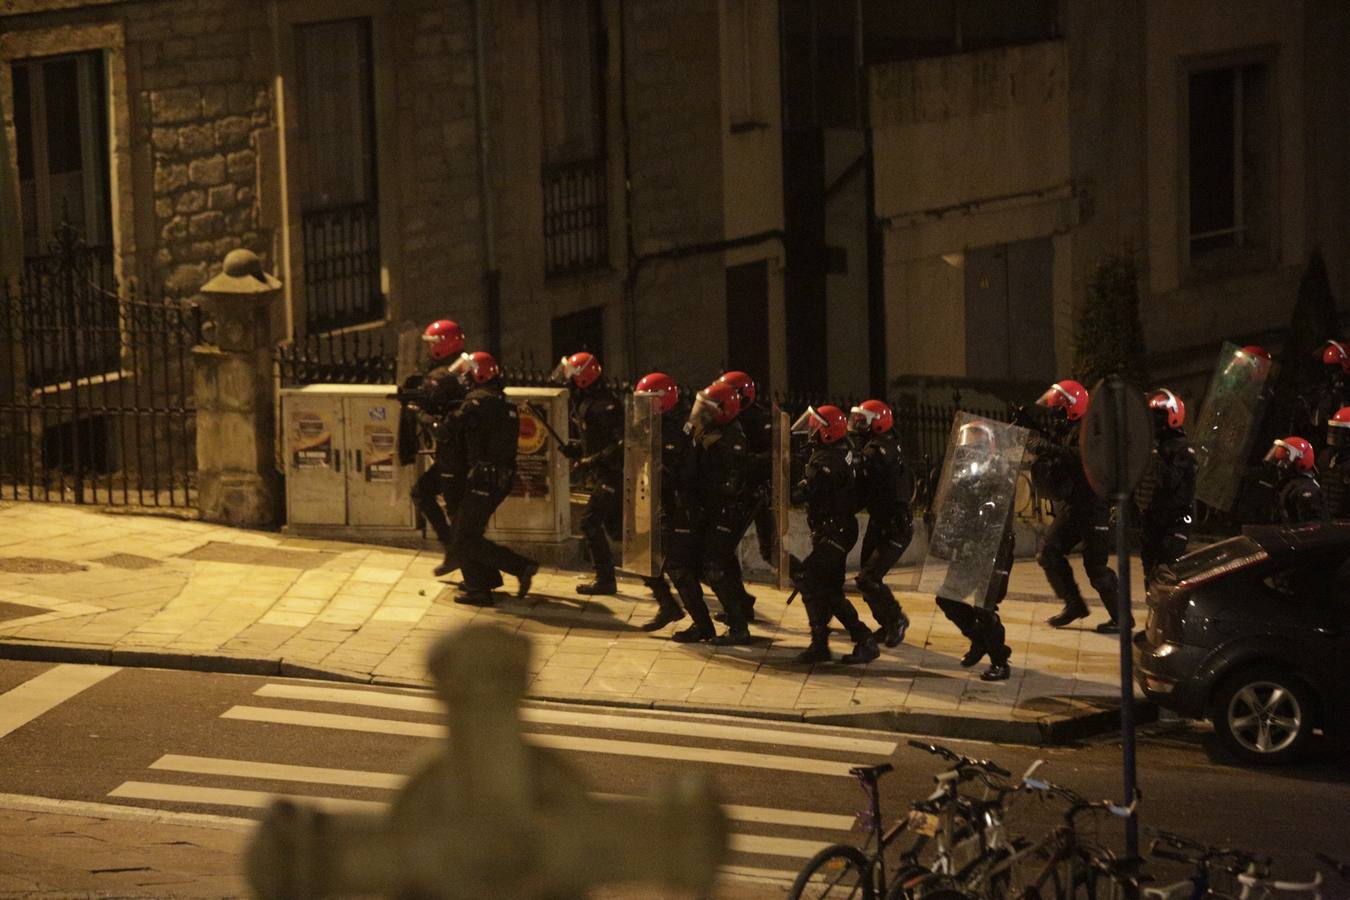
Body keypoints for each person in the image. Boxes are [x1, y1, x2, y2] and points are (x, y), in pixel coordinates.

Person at [439, 351, 539, 605]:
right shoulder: (503, 402)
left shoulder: (477, 402)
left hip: (485, 479)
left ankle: (518, 567)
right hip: (500, 479)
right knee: (467, 531)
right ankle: (482, 583)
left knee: (463, 537)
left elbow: (447, 430)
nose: (464, 378)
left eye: (468, 372)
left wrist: (424, 416)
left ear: (478, 374)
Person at [1025, 379, 1121, 633]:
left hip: (1093, 506)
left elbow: (1078, 457)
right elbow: (1060, 451)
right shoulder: (1068, 430)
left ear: (1072, 407)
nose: (1054, 415)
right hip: (1073, 506)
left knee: (1096, 568)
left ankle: (1121, 618)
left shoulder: (1091, 430)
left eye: (1058, 409)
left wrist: (1047, 448)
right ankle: (1074, 604)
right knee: (1048, 553)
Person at [789, 405, 880, 665]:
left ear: (829, 431)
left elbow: (801, 494)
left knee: (812, 580)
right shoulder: (839, 449)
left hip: (835, 530)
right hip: (835, 527)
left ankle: (862, 638)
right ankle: (821, 644)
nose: (812, 431)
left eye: (817, 426)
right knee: (827, 587)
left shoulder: (828, 460)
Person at [666, 381, 754, 645]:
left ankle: (739, 628)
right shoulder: (704, 433)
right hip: (701, 510)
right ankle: (702, 625)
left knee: (715, 567)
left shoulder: (730, 441)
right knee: (680, 566)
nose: (699, 413)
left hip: (722, 514)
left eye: (707, 409)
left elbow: (725, 484)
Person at [932, 420, 1015, 682]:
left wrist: (987, 509)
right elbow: (958, 510)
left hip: (994, 552)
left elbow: (996, 510)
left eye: (975, 447)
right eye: (966, 447)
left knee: (984, 608)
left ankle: (1000, 660)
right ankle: (980, 641)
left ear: (987, 447)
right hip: (970, 551)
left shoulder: (1000, 472)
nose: (969, 452)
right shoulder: (967, 474)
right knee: (947, 598)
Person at [553, 352, 624, 595]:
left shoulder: (605, 406)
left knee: (590, 523)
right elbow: (594, 439)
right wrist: (576, 449)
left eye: (571, 375)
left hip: (613, 474)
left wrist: (590, 460)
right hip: (602, 473)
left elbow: (620, 444)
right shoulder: (586, 401)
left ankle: (605, 580)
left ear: (583, 377)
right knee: (616, 529)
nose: (567, 379)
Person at [400, 319, 467, 576]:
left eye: (431, 345)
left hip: (454, 452)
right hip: (457, 451)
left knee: (450, 507)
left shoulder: (444, 375)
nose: (428, 350)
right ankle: (457, 553)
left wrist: (417, 410)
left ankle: (463, 560)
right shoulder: (460, 367)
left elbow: (432, 404)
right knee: (431, 496)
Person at [848, 399, 911, 647]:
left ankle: (896, 620)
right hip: (880, 520)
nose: (859, 423)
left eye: (864, 419)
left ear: (878, 422)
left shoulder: (882, 448)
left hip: (896, 525)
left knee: (869, 578)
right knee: (866, 580)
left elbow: (868, 462)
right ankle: (887, 624)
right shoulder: (876, 444)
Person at [714, 371, 775, 625]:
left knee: (767, 552)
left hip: (753, 493)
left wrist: (744, 462)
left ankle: (812, 587)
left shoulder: (758, 418)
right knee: (725, 550)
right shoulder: (733, 416)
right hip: (740, 492)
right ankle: (741, 603)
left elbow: (772, 455)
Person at [632, 372, 690, 632]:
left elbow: (673, 471)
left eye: (648, 400)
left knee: (682, 565)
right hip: (659, 502)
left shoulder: (675, 430)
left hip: (678, 505)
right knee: (641, 554)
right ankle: (668, 605)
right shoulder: (657, 424)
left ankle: (727, 616)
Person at [1133, 389, 1196, 600]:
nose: (1154, 422)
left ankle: (1173, 624)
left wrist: (1154, 454)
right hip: (1152, 519)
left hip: (1175, 522)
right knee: (1149, 574)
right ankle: (1154, 624)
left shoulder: (1183, 449)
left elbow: (1169, 482)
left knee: (1167, 575)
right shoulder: (1156, 446)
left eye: (1159, 416)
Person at [1262, 436, 1328, 524]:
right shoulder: (1292, 485)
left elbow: (1312, 529)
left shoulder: (1305, 490)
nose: (1279, 467)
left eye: (1284, 462)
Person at [1321, 407, 1350, 519]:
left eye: (1342, 433)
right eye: (1335, 431)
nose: (1337, 436)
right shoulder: (1326, 456)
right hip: (1326, 520)